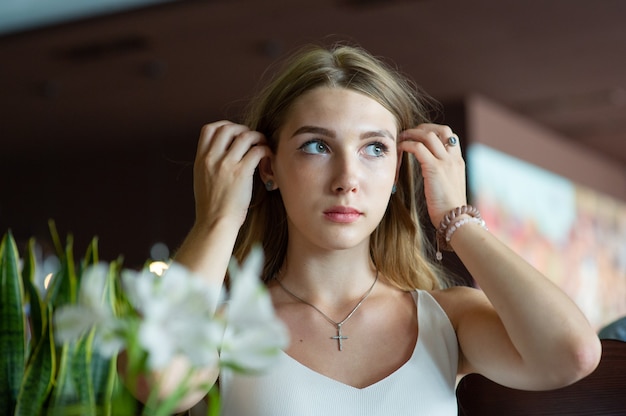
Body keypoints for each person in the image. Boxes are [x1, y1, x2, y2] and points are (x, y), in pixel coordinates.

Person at [168, 42, 601, 415]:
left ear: (397, 170)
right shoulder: (222, 326)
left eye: (374, 148)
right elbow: (161, 384)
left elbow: (571, 355)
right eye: (316, 146)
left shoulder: (448, 319)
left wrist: (456, 219)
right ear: (269, 168)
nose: (347, 179)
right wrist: (219, 219)